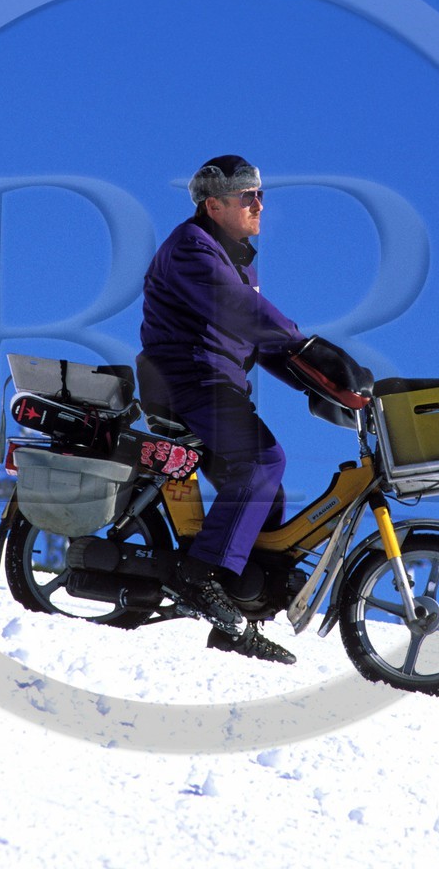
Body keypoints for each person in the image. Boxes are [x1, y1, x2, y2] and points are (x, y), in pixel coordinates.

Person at [137, 154, 307, 665]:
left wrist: (325, 382)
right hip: (189, 382)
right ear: (214, 206)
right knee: (261, 462)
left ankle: (238, 611)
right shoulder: (192, 249)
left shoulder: (236, 258)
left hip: (216, 384)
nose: (259, 204)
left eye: (260, 194)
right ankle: (200, 577)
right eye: (247, 196)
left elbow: (264, 341)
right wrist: (308, 345)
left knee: (266, 498)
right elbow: (245, 314)